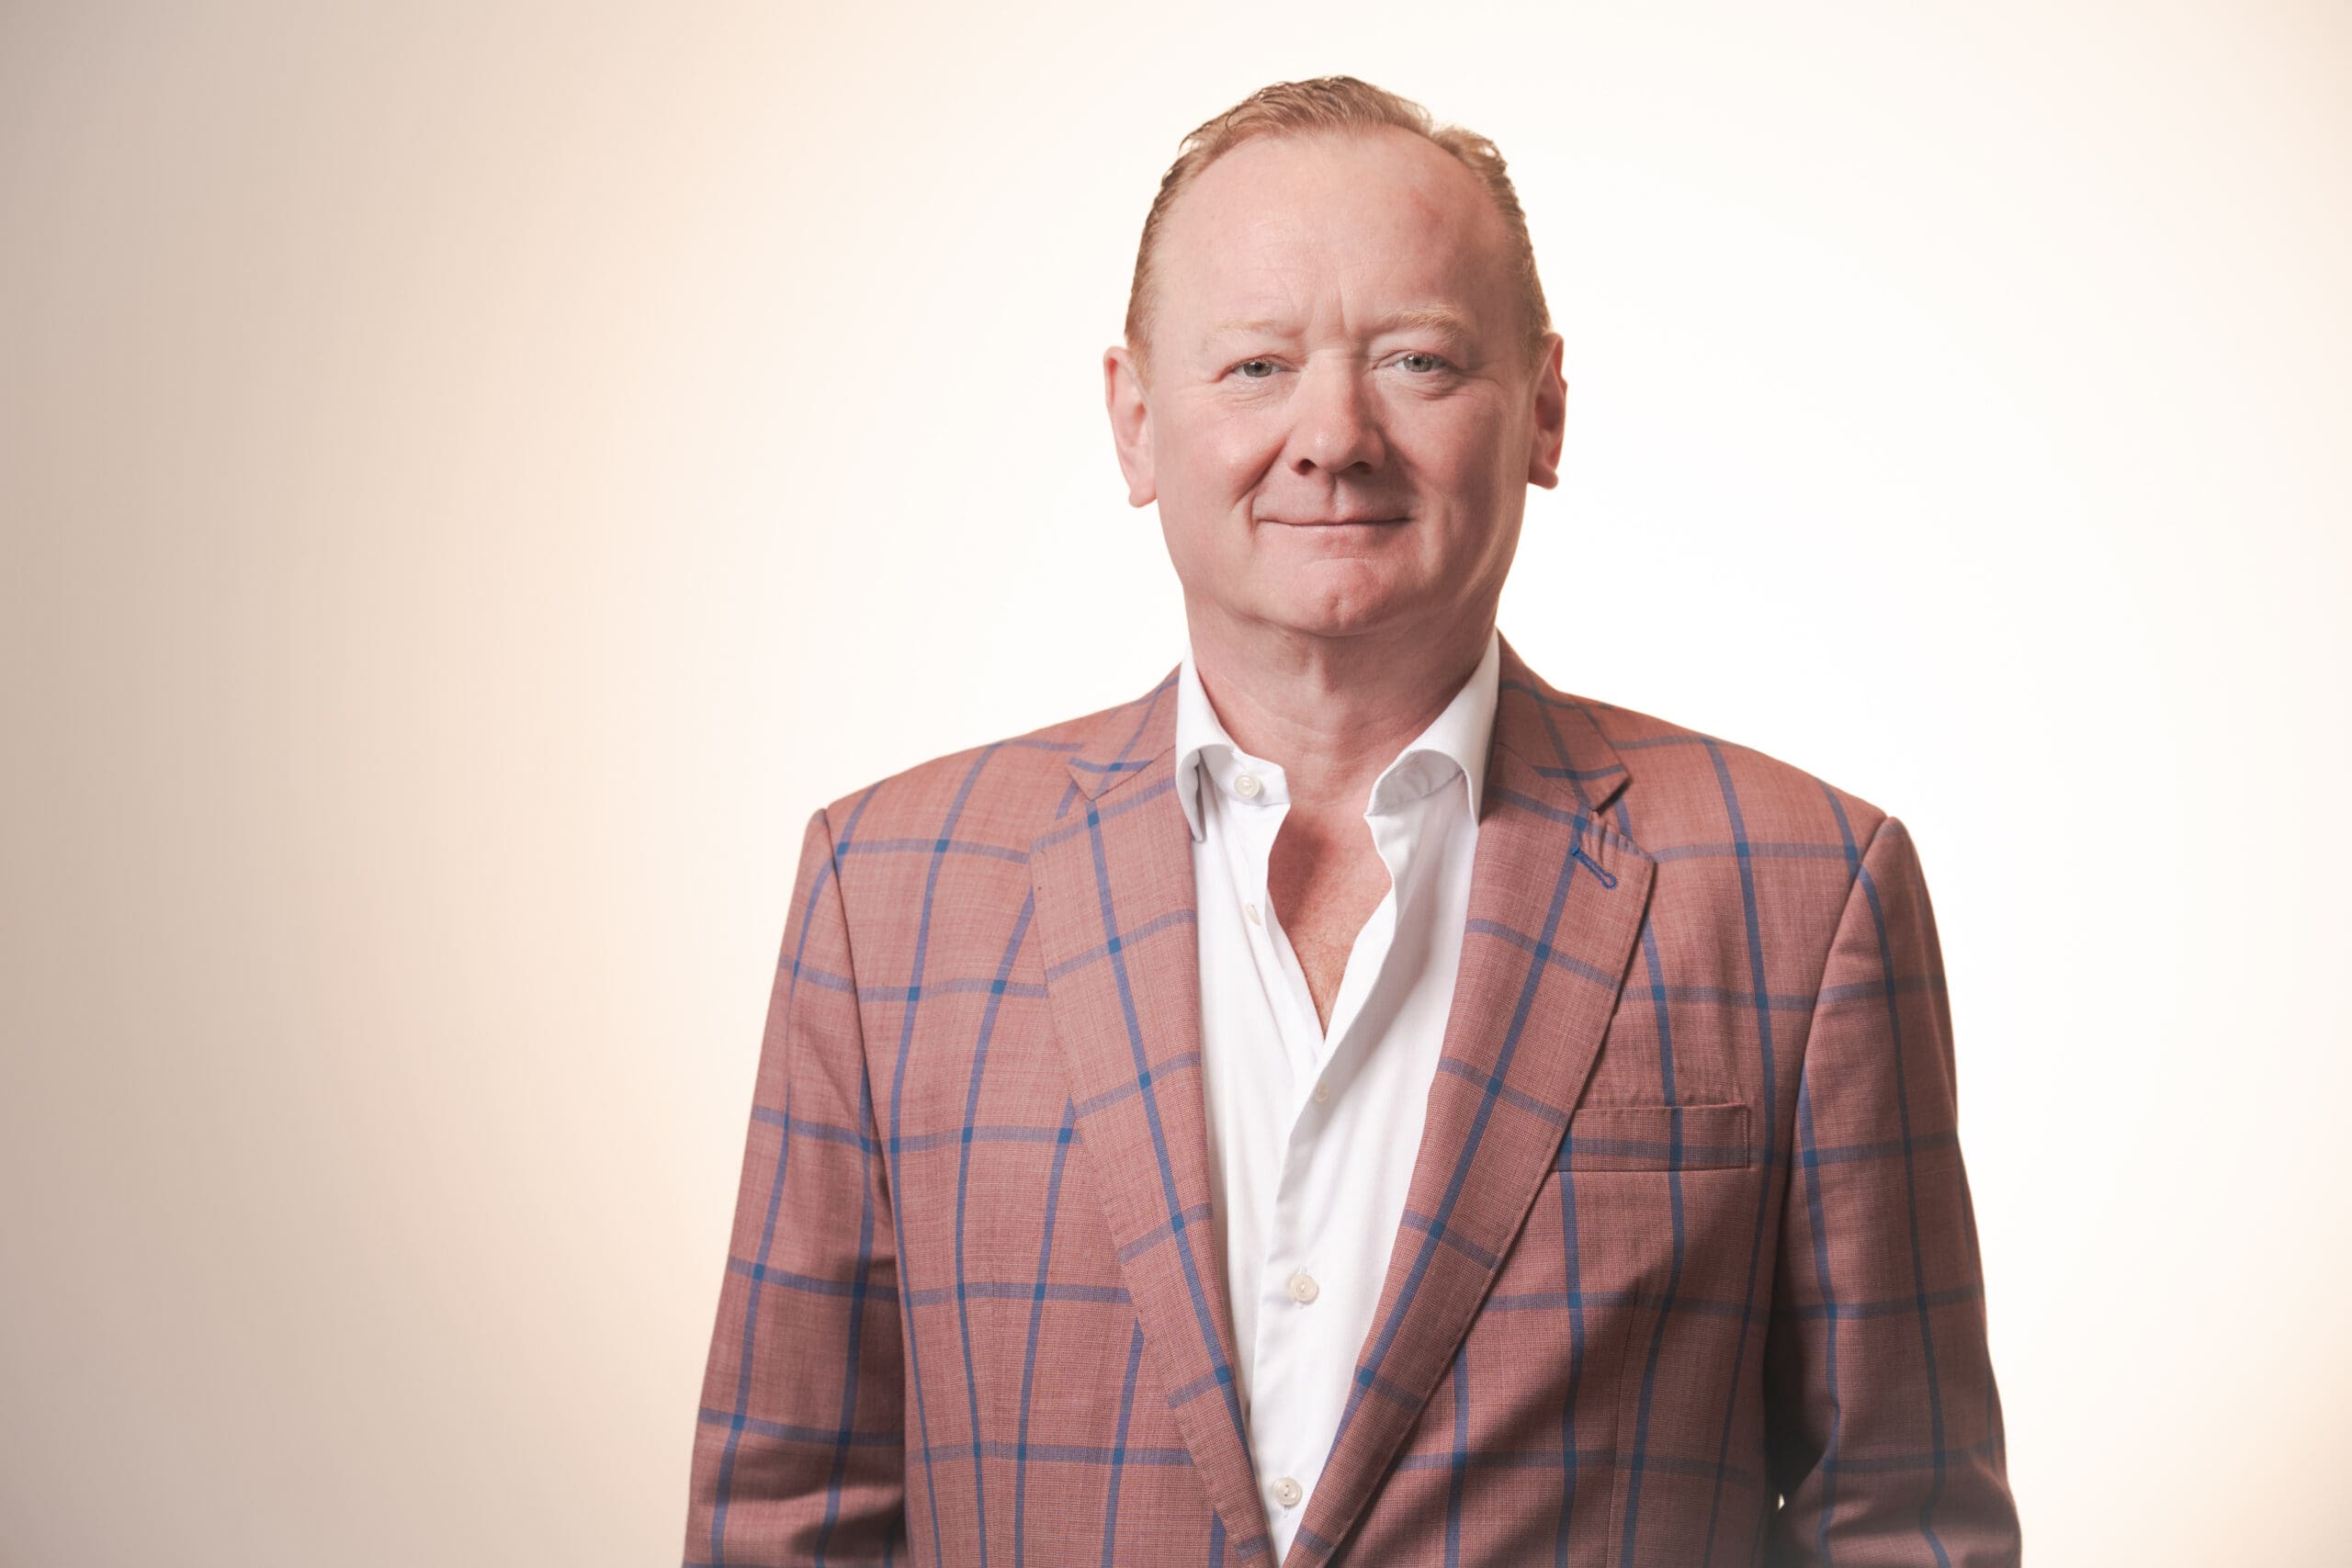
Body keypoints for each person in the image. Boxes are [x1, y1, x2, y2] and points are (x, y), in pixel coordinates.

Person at [681, 74, 2019, 1567]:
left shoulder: (1804, 897)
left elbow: (1904, 1525)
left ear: (1546, 409)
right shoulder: (890, 901)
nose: (1333, 435)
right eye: (1255, 366)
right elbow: (786, 1521)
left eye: (1419, 361)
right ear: (1134, 422)